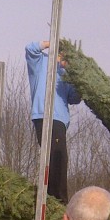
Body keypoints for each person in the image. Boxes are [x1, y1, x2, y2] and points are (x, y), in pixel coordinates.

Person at [25, 39, 82, 204]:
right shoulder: (41, 62)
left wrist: (77, 80)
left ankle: (52, 197)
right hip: (44, 115)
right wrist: (51, 42)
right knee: (56, 156)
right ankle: (57, 199)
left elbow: (74, 98)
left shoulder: (66, 74)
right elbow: (30, 49)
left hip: (60, 119)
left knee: (59, 157)